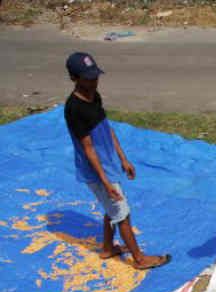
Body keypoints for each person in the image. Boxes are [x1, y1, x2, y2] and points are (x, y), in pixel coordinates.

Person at [63, 52, 170, 270]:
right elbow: (88, 148)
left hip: (109, 163)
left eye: (95, 77)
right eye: (88, 78)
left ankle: (108, 247)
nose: (93, 82)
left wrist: (123, 158)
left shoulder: (95, 96)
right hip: (96, 170)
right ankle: (139, 259)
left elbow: (106, 128)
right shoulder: (74, 108)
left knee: (112, 208)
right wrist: (105, 181)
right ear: (74, 78)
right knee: (123, 214)